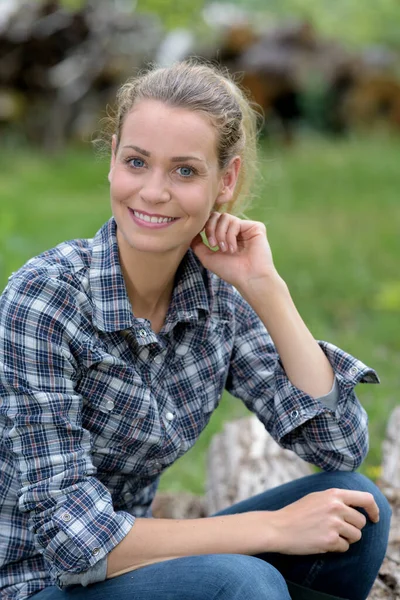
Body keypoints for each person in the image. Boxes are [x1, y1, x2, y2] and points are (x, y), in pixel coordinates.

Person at [0, 61, 391, 600]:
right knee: (240, 580)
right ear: (113, 159)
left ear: (224, 181)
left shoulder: (217, 297)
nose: (153, 192)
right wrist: (274, 530)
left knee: (355, 505)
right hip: (31, 583)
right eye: (137, 162)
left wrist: (266, 288)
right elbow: (74, 540)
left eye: (185, 171)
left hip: (139, 574)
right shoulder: (46, 299)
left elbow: (338, 446)